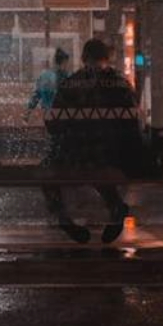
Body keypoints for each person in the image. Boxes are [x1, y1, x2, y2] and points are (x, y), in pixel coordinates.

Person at [42, 38, 135, 244]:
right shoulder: (120, 82)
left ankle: (62, 217)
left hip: (79, 152)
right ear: (107, 58)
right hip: (114, 153)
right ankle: (115, 205)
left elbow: (54, 123)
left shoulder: (73, 83)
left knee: (47, 171)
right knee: (99, 165)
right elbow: (132, 120)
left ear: (84, 58)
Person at [23, 48, 70, 122]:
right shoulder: (68, 77)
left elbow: (36, 96)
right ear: (64, 62)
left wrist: (28, 112)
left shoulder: (44, 76)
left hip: (48, 116)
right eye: (67, 63)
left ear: (54, 61)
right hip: (64, 116)